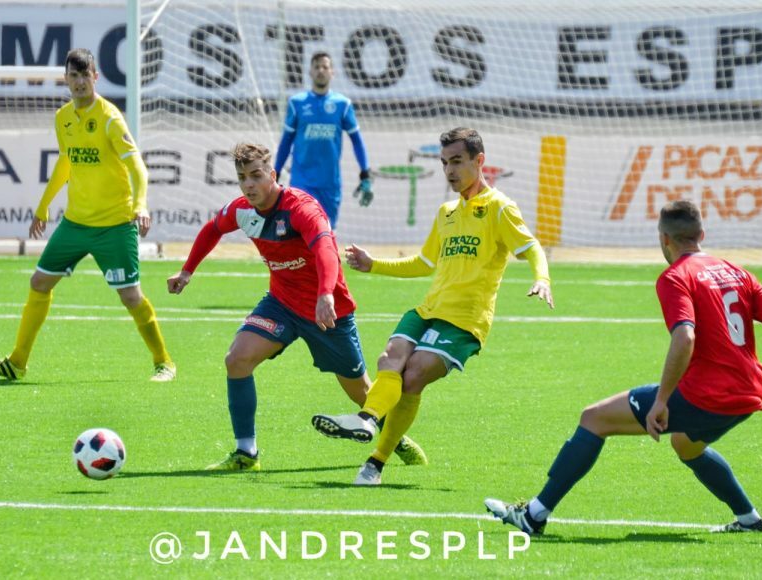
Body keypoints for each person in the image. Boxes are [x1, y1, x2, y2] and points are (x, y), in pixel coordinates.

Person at [485, 199, 762, 535]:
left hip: (707, 395)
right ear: (702, 234)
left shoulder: (675, 277)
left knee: (593, 418)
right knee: (686, 445)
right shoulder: (738, 272)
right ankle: (748, 519)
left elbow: (684, 337)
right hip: (749, 393)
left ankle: (533, 515)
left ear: (664, 238)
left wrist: (661, 401)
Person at [311, 127, 554, 485]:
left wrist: (542, 278)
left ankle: (375, 462)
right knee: (389, 359)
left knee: (414, 375)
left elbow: (531, 247)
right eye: (444, 163)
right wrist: (373, 264)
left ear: (479, 161)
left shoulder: (500, 208)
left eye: (457, 161)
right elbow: (425, 263)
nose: (449, 170)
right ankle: (367, 420)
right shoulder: (447, 212)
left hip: (464, 321)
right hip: (427, 310)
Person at [166, 142, 426, 471]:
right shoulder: (241, 210)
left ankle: (395, 438)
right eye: (242, 178)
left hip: (327, 310)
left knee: (361, 391)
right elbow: (212, 229)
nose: (249, 184)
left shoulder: (302, 208)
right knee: (237, 359)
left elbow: (326, 250)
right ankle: (246, 453)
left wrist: (325, 294)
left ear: (273, 175)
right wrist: (187, 271)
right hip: (281, 304)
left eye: (256, 175)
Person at [0, 48, 175, 382]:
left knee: (130, 296)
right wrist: (43, 206)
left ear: (96, 77)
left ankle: (164, 362)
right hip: (75, 224)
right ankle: (17, 362)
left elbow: (138, 166)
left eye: (85, 76)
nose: (80, 82)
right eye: (74, 76)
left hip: (115, 225)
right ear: (65, 79)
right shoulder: (63, 117)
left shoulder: (110, 118)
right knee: (39, 282)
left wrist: (141, 205)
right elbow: (65, 162)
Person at [273, 51, 372, 229]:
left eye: (325, 67)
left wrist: (365, 173)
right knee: (300, 232)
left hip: (330, 184)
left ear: (332, 72)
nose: (320, 70)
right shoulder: (297, 103)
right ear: (310, 72)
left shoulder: (343, 105)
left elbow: (357, 140)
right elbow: (286, 142)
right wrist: (276, 172)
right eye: (316, 67)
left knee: (327, 233)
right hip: (302, 182)